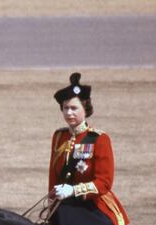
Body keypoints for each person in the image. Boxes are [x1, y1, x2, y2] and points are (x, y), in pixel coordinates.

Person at [48, 72, 130, 225]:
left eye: (74, 108)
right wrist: (52, 203)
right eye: (65, 108)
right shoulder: (59, 136)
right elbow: (54, 176)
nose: (69, 113)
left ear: (85, 109)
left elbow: (104, 182)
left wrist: (73, 191)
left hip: (94, 205)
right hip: (64, 204)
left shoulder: (99, 139)